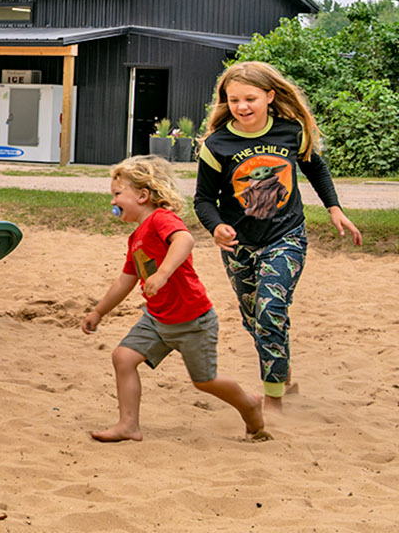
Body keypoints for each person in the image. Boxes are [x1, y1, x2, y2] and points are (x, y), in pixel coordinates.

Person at [193, 61, 362, 413]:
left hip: (286, 237)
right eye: (233, 99)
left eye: (250, 98)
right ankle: (281, 371)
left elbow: (316, 167)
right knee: (254, 318)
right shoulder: (217, 144)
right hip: (239, 244)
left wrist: (334, 208)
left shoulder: (291, 132)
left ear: (269, 96)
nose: (242, 106)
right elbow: (204, 200)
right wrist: (216, 227)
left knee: (271, 312)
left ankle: (273, 403)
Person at [82, 155, 268, 442]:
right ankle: (128, 425)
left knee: (205, 381)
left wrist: (164, 273)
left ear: (143, 195)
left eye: (117, 194)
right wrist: (99, 312)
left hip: (192, 320)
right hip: (157, 319)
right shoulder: (135, 239)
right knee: (123, 357)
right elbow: (125, 280)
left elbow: (185, 240)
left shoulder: (161, 219)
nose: (112, 202)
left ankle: (249, 404)